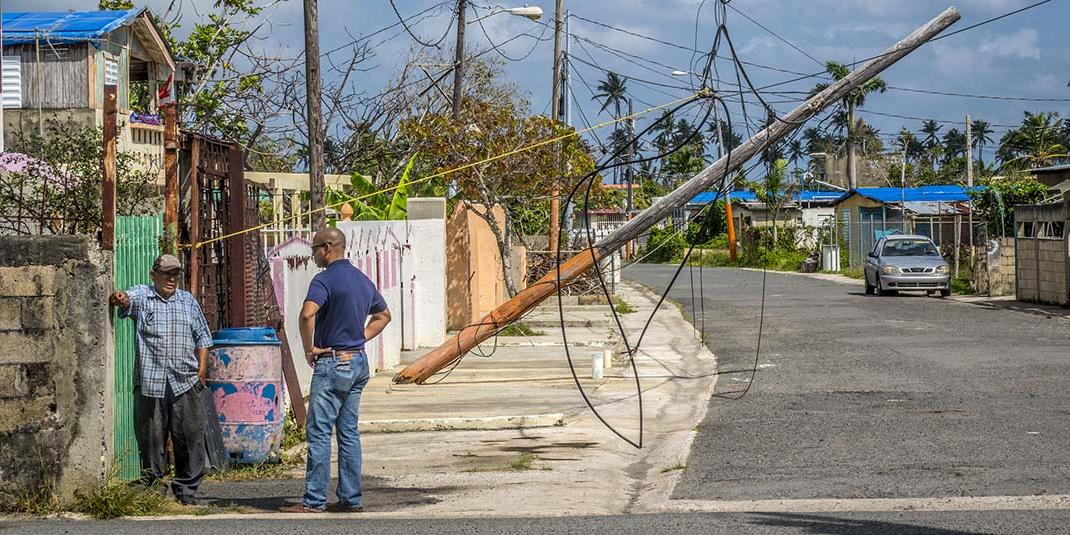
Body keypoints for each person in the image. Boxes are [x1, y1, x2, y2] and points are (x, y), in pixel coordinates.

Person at [282, 228, 391, 513]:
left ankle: (314, 500)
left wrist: (309, 348)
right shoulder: (362, 280)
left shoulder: (324, 280)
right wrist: (360, 336)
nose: (314, 254)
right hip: (357, 361)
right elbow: (383, 316)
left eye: (316, 248)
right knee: (348, 432)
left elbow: (307, 314)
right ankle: (351, 499)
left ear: (328, 247)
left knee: (318, 432)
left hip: (332, 363)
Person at [109, 254, 213, 506]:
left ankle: (186, 491)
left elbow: (203, 338)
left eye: (175, 273)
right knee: (151, 437)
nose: (171, 278)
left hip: (185, 381)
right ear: (153, 275)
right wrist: (119, 297)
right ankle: (154, 488)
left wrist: (200, 371)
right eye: (166, 273)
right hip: (150, 381)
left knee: (188, 437)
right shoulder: (144, 296)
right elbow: (126, 299)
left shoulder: (187, 301)